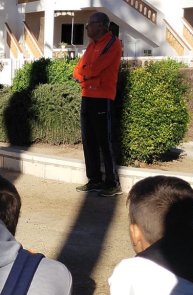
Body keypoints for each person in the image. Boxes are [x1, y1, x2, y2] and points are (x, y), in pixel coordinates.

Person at [73, 11, 123, 197]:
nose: (86, 27)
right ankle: (94, 180)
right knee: (89, 140)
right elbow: (77, 70)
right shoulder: (91, 45)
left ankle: (112, 183)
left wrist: (84, 75)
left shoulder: (113, 43)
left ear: (101, 25)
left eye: (89, 24)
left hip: (103, 98)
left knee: (105, 141)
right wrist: (84, 77)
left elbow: (95, 69)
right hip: (87, 96)